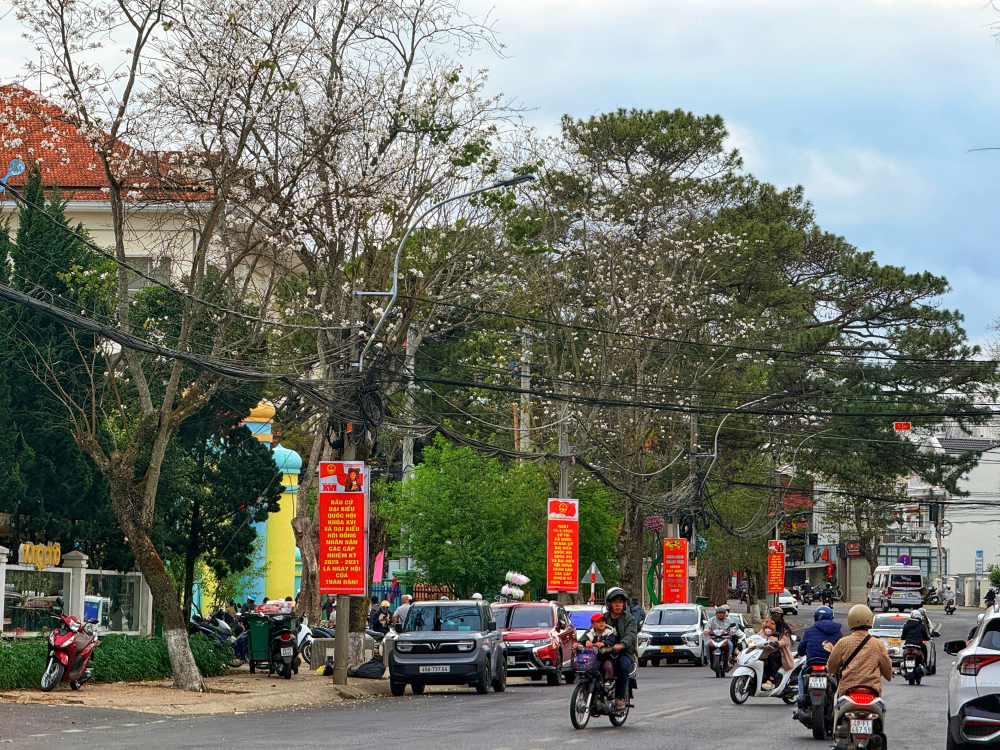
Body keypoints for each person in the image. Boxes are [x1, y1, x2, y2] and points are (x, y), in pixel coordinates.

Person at [826, 604, 892, 697]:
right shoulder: (878, 644)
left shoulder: (842, 642)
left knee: (837, 709)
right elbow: (887, 672)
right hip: (872, 692)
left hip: (847, 692)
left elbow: (831, 667)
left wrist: (829, 671)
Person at [792, 606, 843, 721]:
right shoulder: (838, 631)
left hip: (812, 664)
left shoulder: (809, 630)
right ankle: (839, 702)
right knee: (841, 679)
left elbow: (801, 649)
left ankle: (801, 701)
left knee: (801, 677)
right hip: (830, 666)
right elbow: (841, 649)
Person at [603, 587, 637, 711]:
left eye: (620, 602)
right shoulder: (603, 618)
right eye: (615, 602)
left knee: (623, 666)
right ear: (609, 604)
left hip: (624, 653)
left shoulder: (630, 619)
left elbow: (631, 635)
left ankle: (619, 699)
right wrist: (581, 642)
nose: (618, 605)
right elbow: (591, 631)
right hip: (606, 653)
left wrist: (622, 644)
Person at [761, 606, 793, 691]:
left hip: (780, 651)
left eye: (778, 615)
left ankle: (771, 681)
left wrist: (777, 643)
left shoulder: (784, 627)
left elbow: (785, 640)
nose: (775, 616)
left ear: (781, 616)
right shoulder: (768, 624)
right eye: (774, 614)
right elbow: (761, 633)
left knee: (772, 657)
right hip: (766, 649)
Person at [580, 612, 618, 680]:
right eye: (598, 622)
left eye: (603, 621)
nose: (601, 623)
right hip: (593, 657)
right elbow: (583, 639)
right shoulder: (590, 632)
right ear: (593, 624)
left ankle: (608, 681)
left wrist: (603, 643)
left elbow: (611, 641)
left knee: (608, 666)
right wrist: (586, 641)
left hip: (607, 656)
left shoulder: (610, 632)